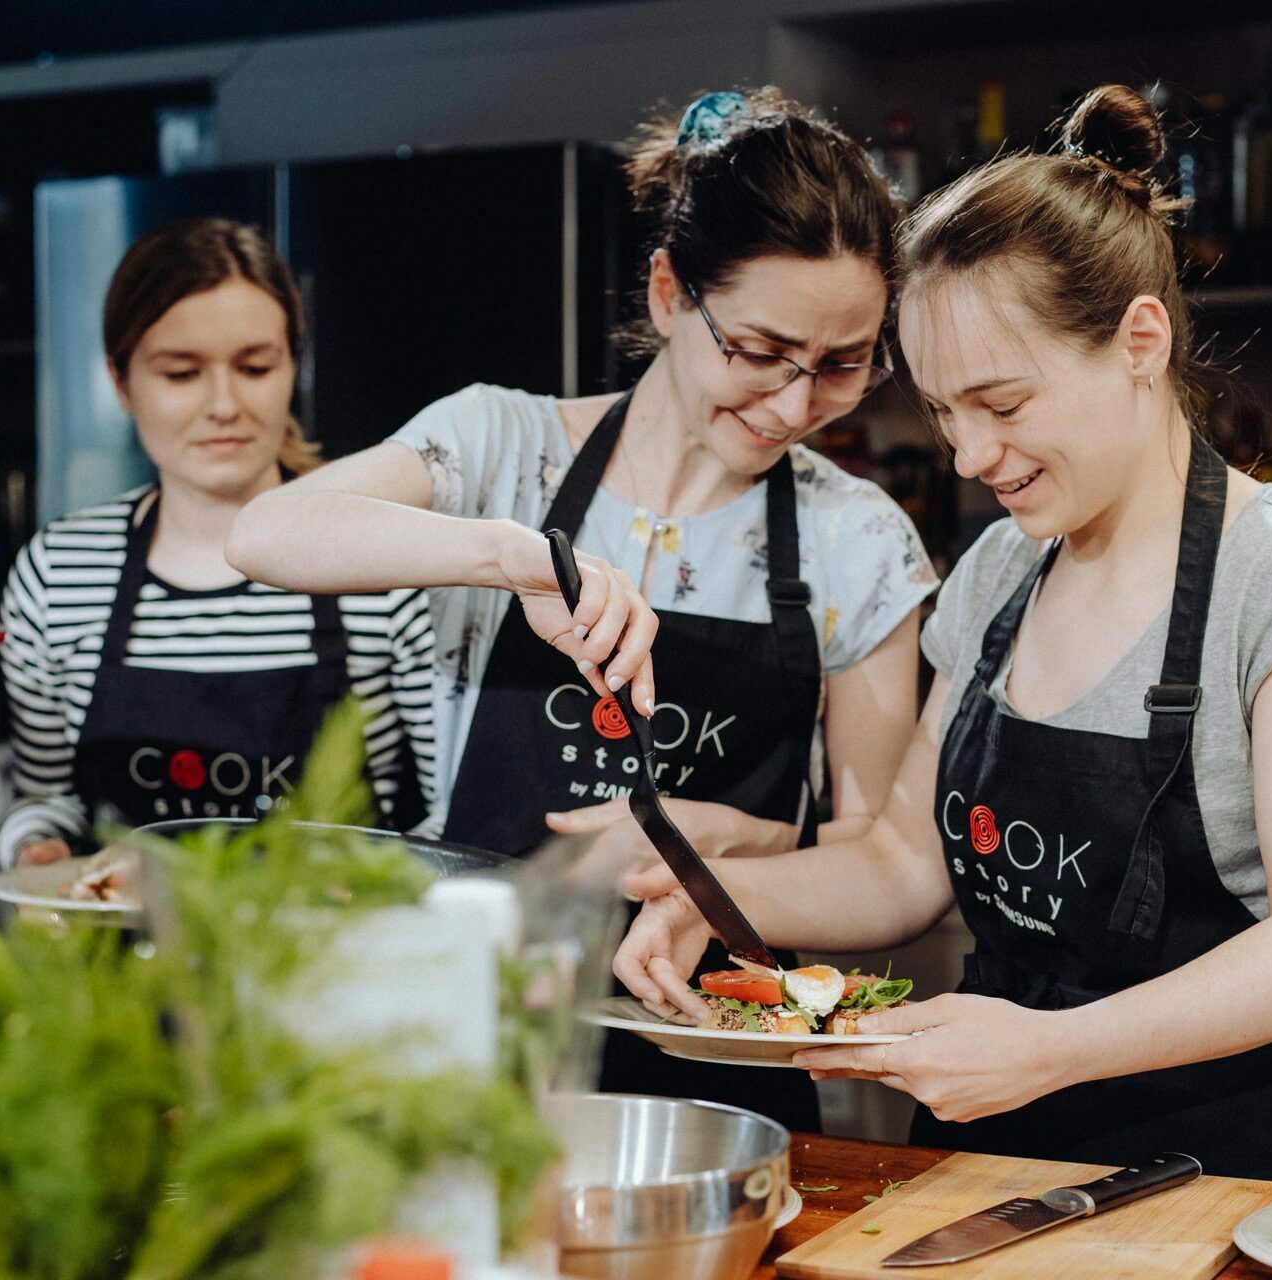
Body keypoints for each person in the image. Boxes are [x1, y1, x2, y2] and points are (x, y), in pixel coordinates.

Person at [614, 85, 1272, 1189]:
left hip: (1213, 1185)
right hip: (975, 1172)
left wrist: (1047, 1050)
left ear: (1140, 339)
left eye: (1002, 402)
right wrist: (710, 896)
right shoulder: (999, 570)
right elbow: (901, 860)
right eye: (944, 411)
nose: (970, 455)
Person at [228, 88, 937, 1130]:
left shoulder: (859, 540)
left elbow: (881, 856)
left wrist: (734, 840)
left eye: (841, 365)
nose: (796, 406)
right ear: (665, 294)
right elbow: (267, 534)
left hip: (720, 1066)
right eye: (759, 350)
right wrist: (509, 555)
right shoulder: (500, 449)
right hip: (464, 1040)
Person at [0, 218, 435, 869]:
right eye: (181, 373)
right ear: (121, 381)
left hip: (334, 955)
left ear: (293, 367)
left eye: (255, 366)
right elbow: (45, 797)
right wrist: (39, 849)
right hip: (122, 962)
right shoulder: (58, 575)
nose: (224, 404)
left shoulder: (388, 561)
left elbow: (449, 814)